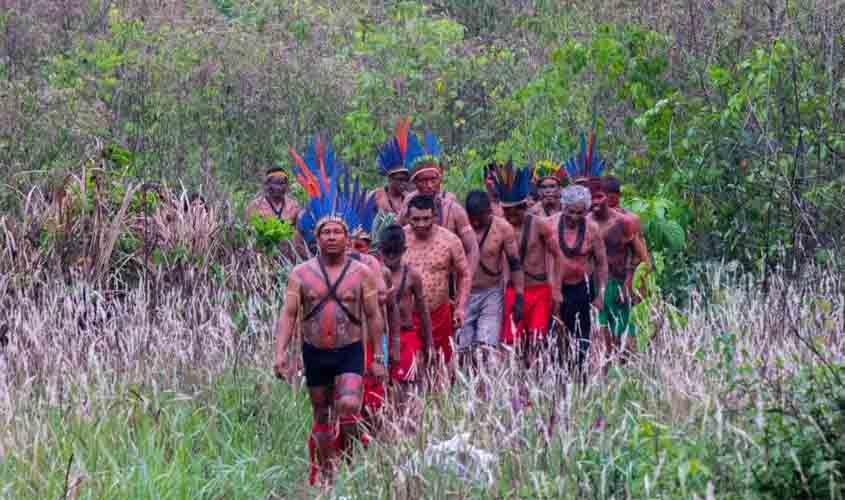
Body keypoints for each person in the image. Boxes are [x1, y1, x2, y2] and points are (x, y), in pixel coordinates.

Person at [272, 201, 385, 487]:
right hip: (315, 352)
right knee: (322, 413)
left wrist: (378, 357)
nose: (332, 237)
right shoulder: (300, 274)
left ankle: (348, 458)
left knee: (348, 405)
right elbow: (288, 314)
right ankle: (327, 472)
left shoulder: (362, 274)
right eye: (326, 232)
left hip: (349, 350)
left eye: (337, 232)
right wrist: (280, 353)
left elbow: (373, 315)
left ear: (348, 239)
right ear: (317, 238)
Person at [492, 164, 564, 365]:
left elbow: (557, 256)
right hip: (512, 291)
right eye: (506, 211)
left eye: (513, 212)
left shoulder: (540, 225)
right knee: (511, 342)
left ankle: (536, 383)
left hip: (539, 290)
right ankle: (516, 385)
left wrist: (556, 288)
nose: (509, 216)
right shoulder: (501, 227)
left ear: (523, 207)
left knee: (537, 340)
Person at [397, 126, 479, 275]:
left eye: (433, 179)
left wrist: (466, 281)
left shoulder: (452, 206)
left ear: (440, 178)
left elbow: (472, 248)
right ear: (414, 182)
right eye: (423, 180)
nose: (429, 185)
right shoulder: (408, 204)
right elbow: (395, 240)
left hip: (447, 281)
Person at [402, 194, 471, 369]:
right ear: (408, 218)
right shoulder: (400, 239)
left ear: (435, 217)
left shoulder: (449, 240)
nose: (421, 224)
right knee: (412, 367)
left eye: (426, 218)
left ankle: (439, 396)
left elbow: (464, 274)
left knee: (440, 364)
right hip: (407, 317)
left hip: (439, 314)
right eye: (415, 219)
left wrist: (460, 307)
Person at [457, 189, 524, 365]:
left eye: (481, 216)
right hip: (464, 295)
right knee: (463, 349)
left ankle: (486, 389)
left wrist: (519, 297)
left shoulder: (503, 228)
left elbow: (515, 264)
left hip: (491, 294)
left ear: (489, 211)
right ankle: (468, 387)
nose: (477, 221)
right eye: (473, 217)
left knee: (487, 347)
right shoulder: (459, 228)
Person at [547, 185, 607, 380]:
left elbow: (601, 263)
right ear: (563, 207)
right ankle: (556, 383)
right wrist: (551, 289)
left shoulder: (592, 229)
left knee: (581, 341)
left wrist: (601, 294)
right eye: (570, 212)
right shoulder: (549, 225)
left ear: (586, 210)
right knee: (555, 341)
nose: (574, 217)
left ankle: (579, 381)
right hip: (554, 292)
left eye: (580, 212)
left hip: (580, 290)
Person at [589, 179, 650, 362]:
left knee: (624, 335)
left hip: (620, 281)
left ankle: (627, 371)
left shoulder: (628, 221)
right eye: (601, 196)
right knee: (602, 335)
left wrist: (631, 283)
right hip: (597, 284)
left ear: (618, 197)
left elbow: (642, 257)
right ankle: (605, 373)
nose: (606, 201)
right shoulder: (589, 221)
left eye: (610, 196)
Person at [380, 224, 433, 408]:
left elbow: (423, 311)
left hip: (407, 335)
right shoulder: (373, 273)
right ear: (380, 250)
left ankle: (409, 426)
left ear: (403, 250)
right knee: (385, 386)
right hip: (383, 338)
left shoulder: (412, 276)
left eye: (395, 253)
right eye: (387, 253)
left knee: (408, 387)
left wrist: (429, 344)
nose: (390, 258)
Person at [370, 118, 413, 215]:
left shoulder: (409, 199)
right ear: (390, 179)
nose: (403, 183)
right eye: (399, 179)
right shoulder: (375, 196)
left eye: (406, 180)